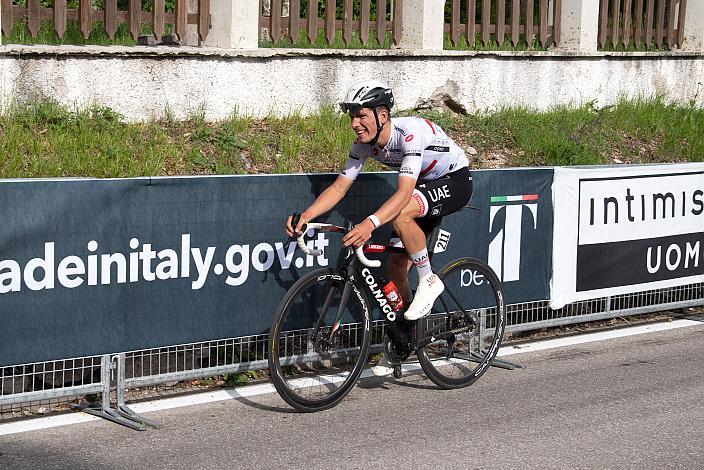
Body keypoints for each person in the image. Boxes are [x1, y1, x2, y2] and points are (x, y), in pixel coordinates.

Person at [285, 79, 473, 375]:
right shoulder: (362, 146)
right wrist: (306, 215)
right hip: (422, 187)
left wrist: (370, 223)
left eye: (361, 116)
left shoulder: (409, 135)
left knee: (400, 215)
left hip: (454, 179)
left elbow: (401, 196)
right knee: (396, 267)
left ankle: (428, 280)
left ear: (382, 115)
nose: (355, 124)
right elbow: (339, 187)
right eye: (352, 117)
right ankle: (406, 336)